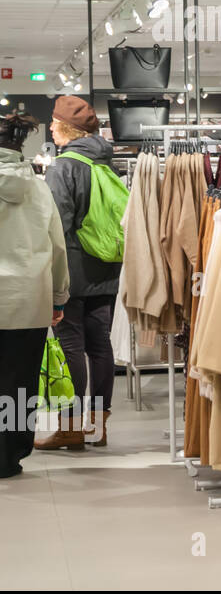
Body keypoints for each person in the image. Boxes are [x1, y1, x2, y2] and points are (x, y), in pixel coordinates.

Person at [37, 96, 120, 451]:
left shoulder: (63, 166)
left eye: (54, 122)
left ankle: (71, 428)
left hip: (73, 269)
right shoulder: (106, 162)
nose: (51, 127)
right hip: (107, 265)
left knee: (71, 344)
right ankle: (98, 427)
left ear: (66, 128)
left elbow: (57, 225)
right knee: (100, 345)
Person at [0, 112, 70, 477]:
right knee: (19, 381)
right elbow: (57, 248)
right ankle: (9, 454)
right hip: (28, 300)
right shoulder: (39, 190)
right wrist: (58, 298)